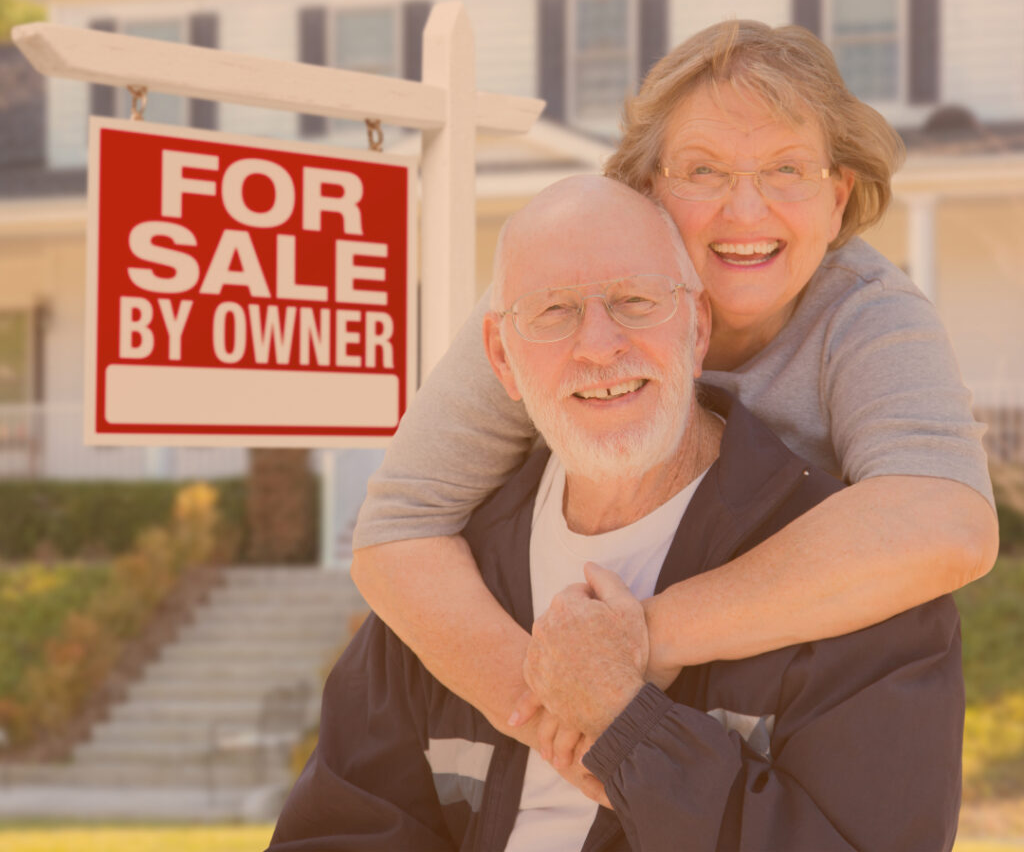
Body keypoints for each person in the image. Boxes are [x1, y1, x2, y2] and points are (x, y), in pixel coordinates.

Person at [349, 20, 996, 774]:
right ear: (647, 189)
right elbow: (397, 530)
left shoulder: (867, 313)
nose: (746, 212)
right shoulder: (551, 302)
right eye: (704, 171)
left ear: (838, 196)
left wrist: (643, 639)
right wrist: (555, 719)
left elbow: (947, 520)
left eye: (787, 169)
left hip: (777, 722)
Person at [270, 177, 963, 852]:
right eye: (553, 311)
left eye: (635, 301)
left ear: (697, 330)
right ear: (500, 359)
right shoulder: (450, 584)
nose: (599, 345)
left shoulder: (857, 582)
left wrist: (630, 731)